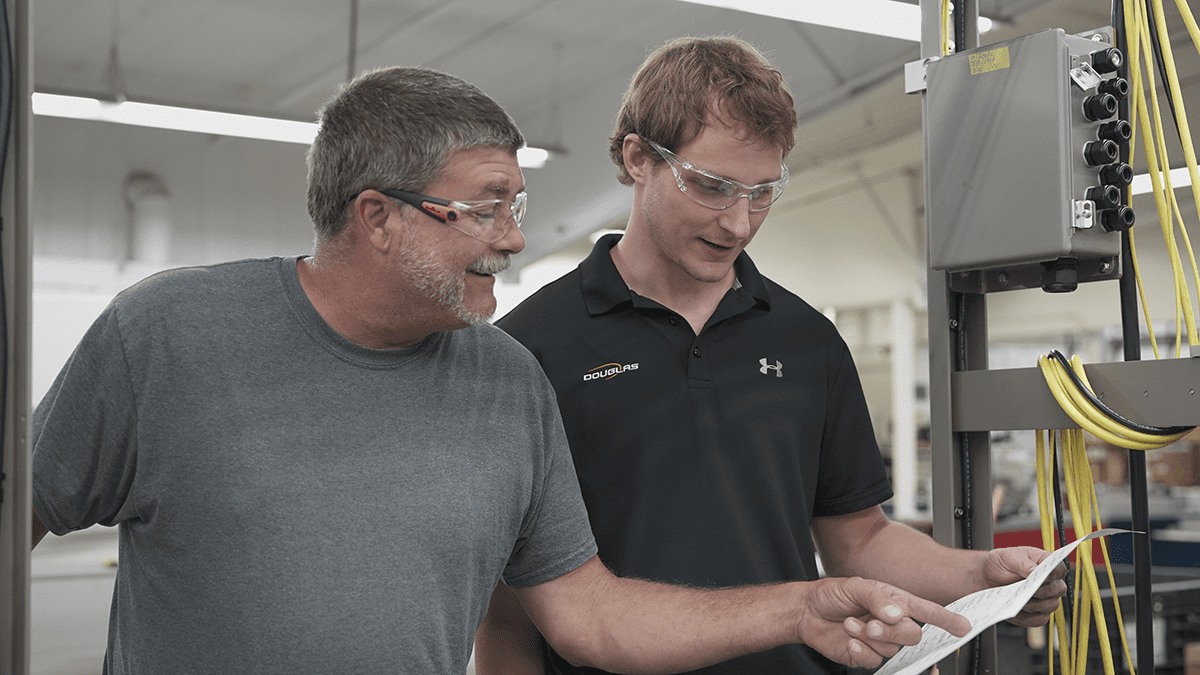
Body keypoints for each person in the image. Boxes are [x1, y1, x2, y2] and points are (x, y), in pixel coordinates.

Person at [30, 65, 974, 675]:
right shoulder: (166, 336)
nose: (516, 239)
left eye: (517, 204)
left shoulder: (504, 380)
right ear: (378, 215)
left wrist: (802, 606)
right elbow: (18, 517)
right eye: (486, 210)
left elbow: (591, 614)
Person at [476, 37, 1067, 675]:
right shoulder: (527, 347)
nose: (737, 223)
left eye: (762, 193)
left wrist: (977, 573)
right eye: (711, 186)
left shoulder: (807, 340)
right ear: (639, 156)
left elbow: (859, 539)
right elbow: (508, 605)